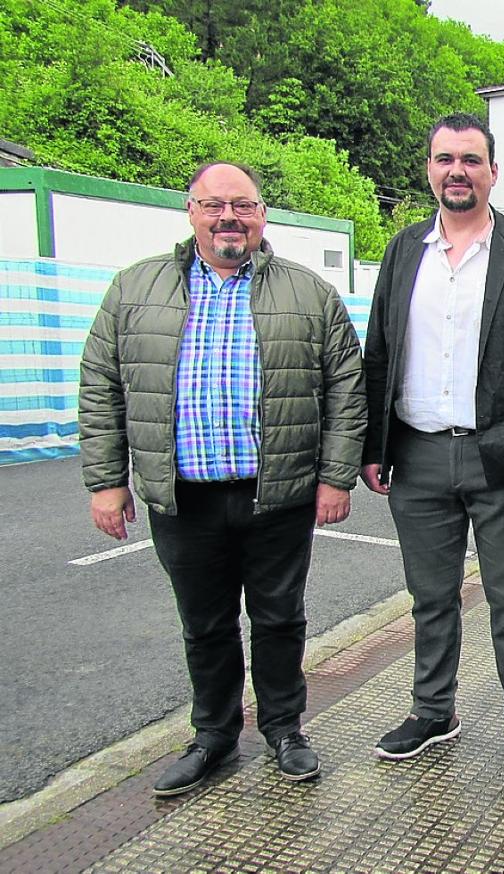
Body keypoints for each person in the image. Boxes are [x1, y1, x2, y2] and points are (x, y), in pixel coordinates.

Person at [78, 162, 367, 796]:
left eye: (243, 205)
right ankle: (213, 735)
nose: (228, 217)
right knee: (204, 624)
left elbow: (348, 388)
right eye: (214, 206)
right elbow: (101, 386)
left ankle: (286, 730)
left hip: (279, 494)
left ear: (263, 214)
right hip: (183, 498)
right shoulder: (136, 289)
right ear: (191, 212)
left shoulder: (309, 293)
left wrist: (335, 477)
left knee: (279, 619)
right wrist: (106, 480)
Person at [362, 113, 504, 779]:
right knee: (431, 598)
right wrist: (375, 446)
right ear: (429, 169)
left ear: (492, 172)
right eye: (444, 159)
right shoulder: (404, 252)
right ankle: (433, 711)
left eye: (470, 159)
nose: (456, 170)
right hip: (419, 453)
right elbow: (379, 352)